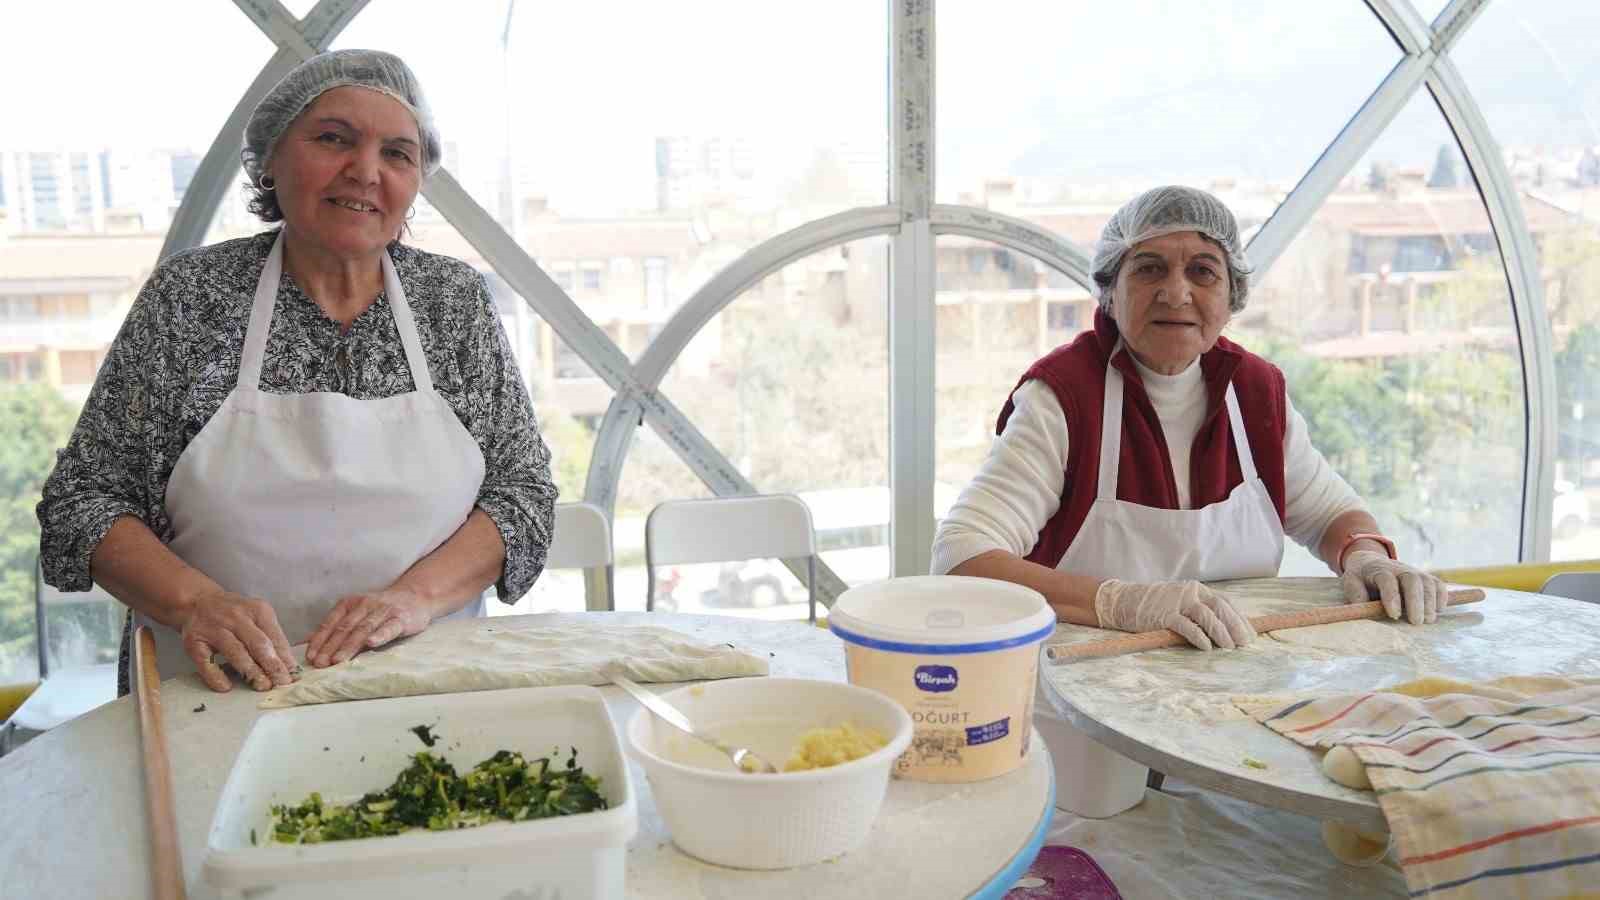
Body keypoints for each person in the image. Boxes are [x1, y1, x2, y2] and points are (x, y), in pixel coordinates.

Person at [37, 50, 557, 695]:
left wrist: (414, 598)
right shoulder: (193, 296)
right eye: (334, 139)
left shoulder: (450, 300)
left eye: (397, 153)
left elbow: (522, 492)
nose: (365, 171)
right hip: (213, 688)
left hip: (429, 678)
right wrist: (194, 603)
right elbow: (85, 498)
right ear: (272, 159)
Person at [932, 185, 1446, 649]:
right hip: (1089, 702)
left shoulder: (1254, 391)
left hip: (1238, 693)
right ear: (1111, 293)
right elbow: (962, 557)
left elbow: (1331, 514)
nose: (1176, 293)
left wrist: (1367, 557)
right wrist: (1117, 603)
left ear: (1231, 296)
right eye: (1150, 267)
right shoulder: (1066, 397)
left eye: (1202, 271)